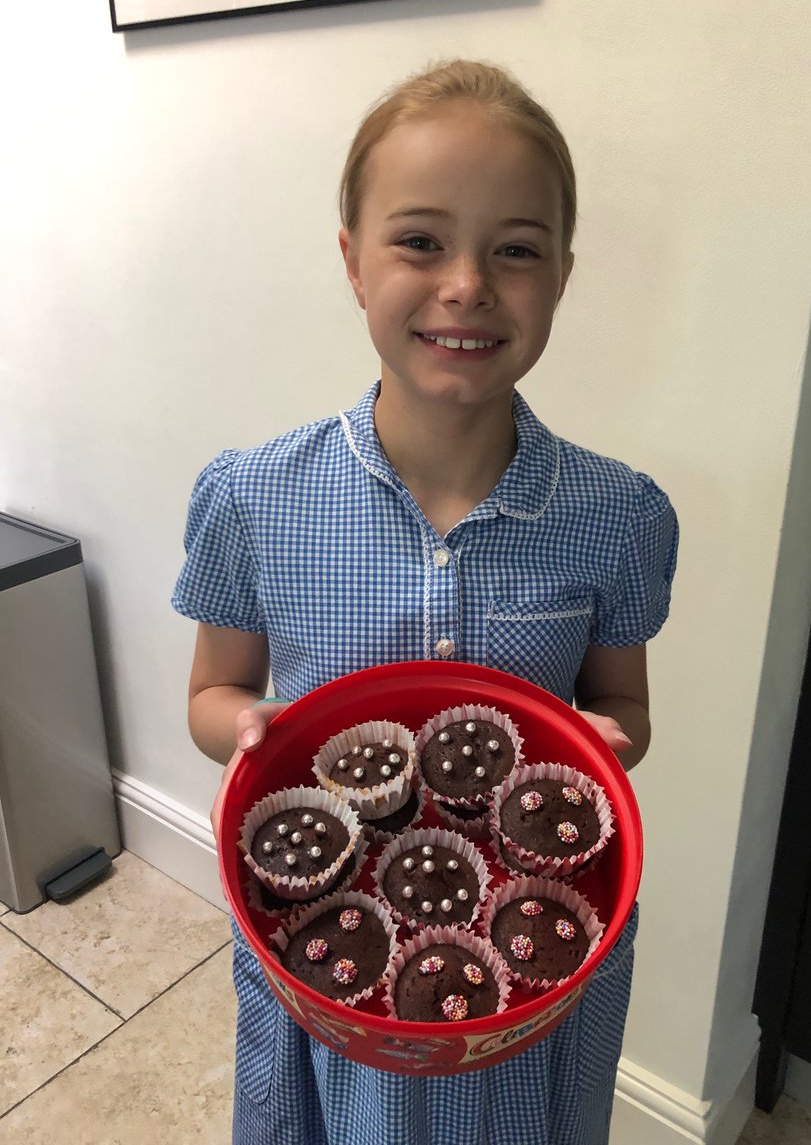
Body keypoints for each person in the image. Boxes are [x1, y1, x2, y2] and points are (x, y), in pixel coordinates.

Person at [173, 58, 678, 1145]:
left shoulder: (618, 513)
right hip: (324, 931)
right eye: (419, 241)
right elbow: (215, 689)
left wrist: (606, 746)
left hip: (529, 958)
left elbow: (624, 711)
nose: (467, 283)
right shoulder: (254, 496)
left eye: (515, 249)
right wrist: (246, 733)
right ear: (353, 264)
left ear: (563, 275)